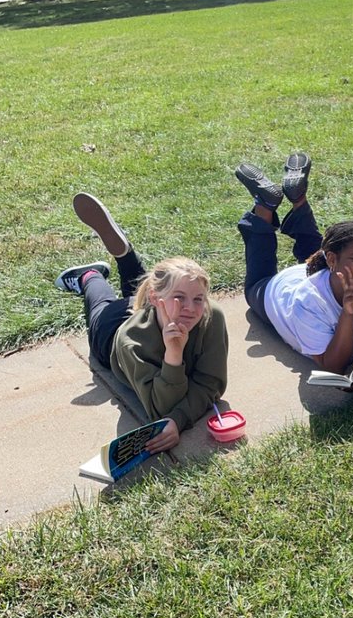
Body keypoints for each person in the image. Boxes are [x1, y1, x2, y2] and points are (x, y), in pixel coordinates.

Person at [55, 194, 228, 453]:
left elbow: (212, 384)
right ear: (155, 300)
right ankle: (88, 275)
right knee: (100, 301)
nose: (192, 309)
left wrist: (178, 420)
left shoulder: (210, 314)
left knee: (155, 289)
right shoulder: (130, 342)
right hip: (112, 330)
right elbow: (161, 409)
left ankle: (127, 258)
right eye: (181, 298)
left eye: (198, 298)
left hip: (154, 307)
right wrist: (173, 352)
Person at [235, 155, 353, 374]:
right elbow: (332, 366)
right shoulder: (307, 301)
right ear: (331, 261)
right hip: (278, 291)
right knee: (255, 284)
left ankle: (297, 200)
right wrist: (347, 312)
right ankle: (265, 207)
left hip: (323, 272)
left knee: (324, 252)